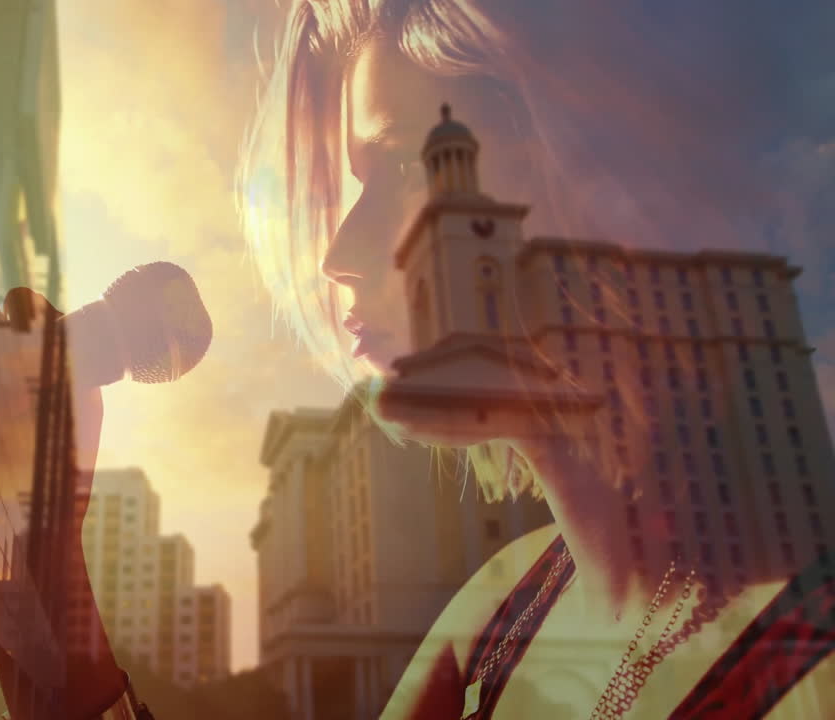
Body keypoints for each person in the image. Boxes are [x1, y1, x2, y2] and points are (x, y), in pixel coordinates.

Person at [237, 1, 835, 718]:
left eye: (404, 164)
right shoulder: (493, 610)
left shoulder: (804, 661)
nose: (339, 256)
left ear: (605, 173)